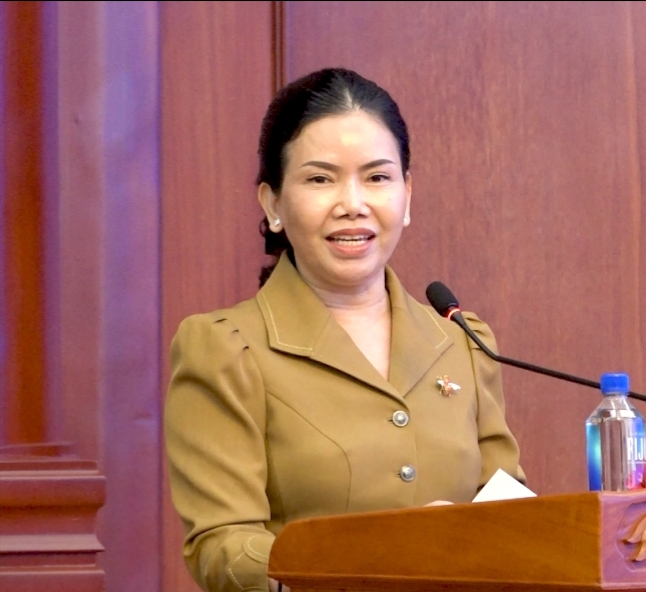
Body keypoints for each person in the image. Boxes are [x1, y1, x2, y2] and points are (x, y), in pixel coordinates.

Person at [164, 67, 525, 592]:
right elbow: (222, 550)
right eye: (320, 179)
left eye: (377, 178)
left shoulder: (463, 342)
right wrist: (382, 555)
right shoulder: (224, 349)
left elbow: (511, 512)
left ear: (407, 195)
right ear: (272, 204)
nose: (353, 204)